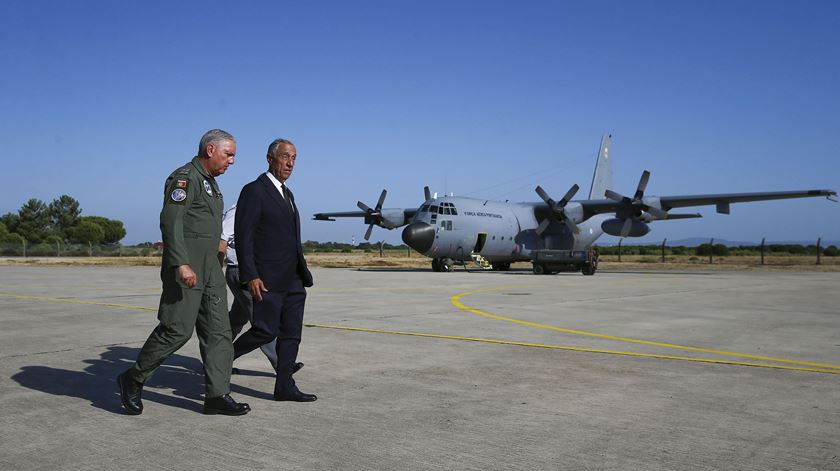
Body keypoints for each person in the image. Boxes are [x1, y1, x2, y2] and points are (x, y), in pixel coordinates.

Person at [118, 129, 250, 416]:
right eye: (229, 154)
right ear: (211, 150)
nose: (232, 161)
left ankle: (217, 394)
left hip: (212, 270)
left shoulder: (212, 186)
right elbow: (171, 222)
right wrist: (180, 263)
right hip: (186, 269)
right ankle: (134, 378)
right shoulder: (185, 179)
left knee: (219, 332)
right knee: (176, 330)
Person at [233, 138, 316, 402]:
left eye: (294, 158)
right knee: (265, 330)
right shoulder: (254, 191)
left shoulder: (287, 193)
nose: (290, 163)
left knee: (292, 332)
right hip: (266, 278)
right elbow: (243, 236)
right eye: (285, 157)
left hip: (293, 278)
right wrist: (250, 274)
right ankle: (222, 359)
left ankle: (284, 386)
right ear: (270, 159)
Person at [218, 204, 303, 375]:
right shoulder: (238, 210)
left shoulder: (256, 211)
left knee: (236, 320)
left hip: (250, 272)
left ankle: (216, 359)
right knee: (264, 323)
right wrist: (216, 272)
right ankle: (281, 365)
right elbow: (222, 241)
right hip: (242, 272)